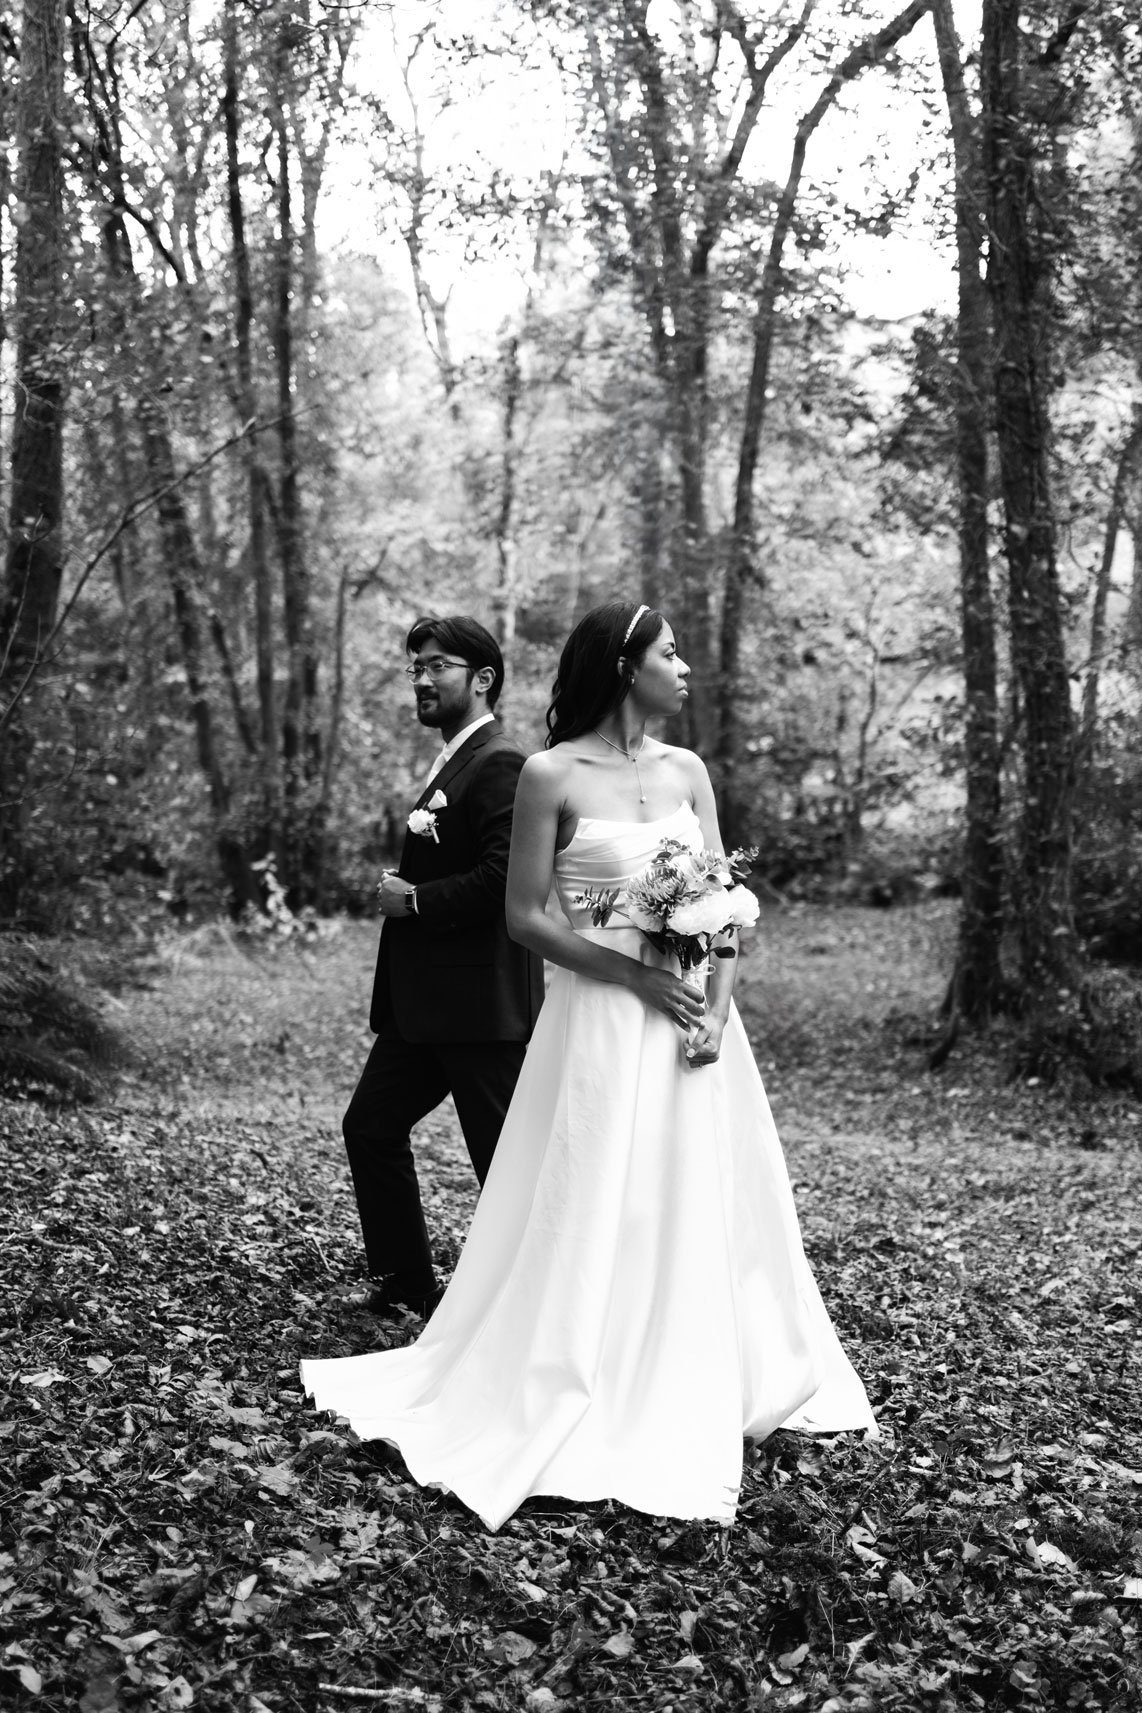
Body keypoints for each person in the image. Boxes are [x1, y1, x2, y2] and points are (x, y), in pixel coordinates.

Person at [304, 600, 876, 1527]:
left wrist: (716, 1011)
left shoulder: (689, 770)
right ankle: (585, 1363)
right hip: (601, 1019)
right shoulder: (549, 774)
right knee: (599, 1187)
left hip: (696, 1026)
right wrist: (633, 978)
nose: (684, 667)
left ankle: (700, 1363)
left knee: (696, 1195)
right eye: (670, 652)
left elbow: (724, 904)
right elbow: (527, 915)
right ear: (623, 666)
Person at [340, 614, 544, 1319]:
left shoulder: (501, 762)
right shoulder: (453, 758)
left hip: (481, 1008)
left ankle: (532, 1300)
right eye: (415, 667)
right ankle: (404, 1282)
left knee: (506, 1164)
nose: (421, 679)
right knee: (369, 1126)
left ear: (482, 678)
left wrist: (415, 899)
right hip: (423, 1008)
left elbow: (506, 879)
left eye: (437, 666)